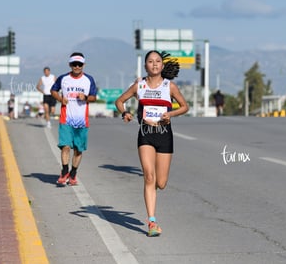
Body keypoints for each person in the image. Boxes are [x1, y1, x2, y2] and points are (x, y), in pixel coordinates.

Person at [115, 50, 189, 237]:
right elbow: (120, 101)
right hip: (146, 134)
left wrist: (169, 114)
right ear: (145, 65)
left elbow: (185, 106)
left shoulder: (169, 86)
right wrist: (125, 113)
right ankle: (152, 222)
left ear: (162, 66)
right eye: (150, 61)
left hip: (164, 135)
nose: (154, 64)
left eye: (158, 61)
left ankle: (152, 193)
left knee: (161, 183)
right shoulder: (139, 86)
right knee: (149, 176)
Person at [50, 52, 97, 186]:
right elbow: (53, 91)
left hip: (82, 121)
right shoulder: (63, 79)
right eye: (74, 64)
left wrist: (86, 98)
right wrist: (60, 99)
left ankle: (73, 173)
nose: (77, 66)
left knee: (78, 150)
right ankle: (64, 171)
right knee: (65, 147)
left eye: (79, 64)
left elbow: (94, 97)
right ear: (70, 65)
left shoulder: (89, 80)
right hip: (66, 119)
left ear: (84, 65)